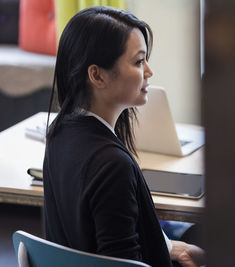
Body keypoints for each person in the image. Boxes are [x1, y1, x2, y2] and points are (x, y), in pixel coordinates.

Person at [43, 6, 205, 267]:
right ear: (97, 75)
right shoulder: (112, 165)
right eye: (139, 61)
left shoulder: (60, 134)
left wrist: (169, 246)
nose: (149, 72)